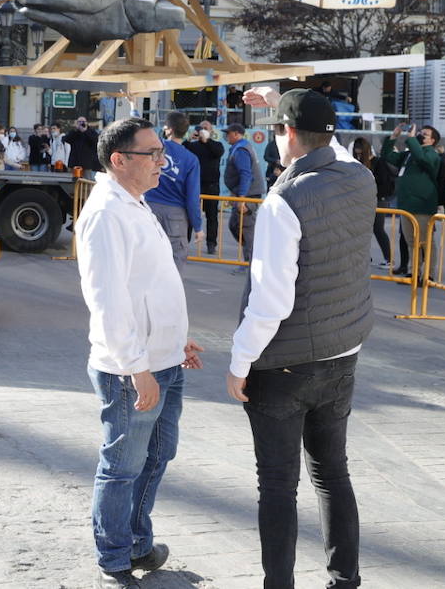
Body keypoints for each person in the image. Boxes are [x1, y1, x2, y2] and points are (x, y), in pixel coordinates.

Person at [227, 88, 375, 589]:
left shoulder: (283, 201)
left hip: (284, 366)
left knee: (277, 485)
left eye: (276, 127)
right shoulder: (360, 178)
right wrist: (283, 100)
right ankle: (345, 578)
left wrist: (239, 361)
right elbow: (337, 152)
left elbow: (271, 301)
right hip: (342, 354)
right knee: (333, 474)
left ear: (287, 134)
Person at [75, 117, 204, 585]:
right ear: (119, 159)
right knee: (123, 465)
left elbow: (149, 286)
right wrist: (136, 368)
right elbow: (108, 300)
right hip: (132, 367)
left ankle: (137, 542)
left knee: (157, 454)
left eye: (160, 152)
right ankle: (114, 557)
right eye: (152, 154)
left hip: (163, 357)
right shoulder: (107, 214)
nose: (162, 162)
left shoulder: (136, 202)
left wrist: (175, 338)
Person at [144, 111, 203, 274]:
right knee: (175, 261)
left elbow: (136, 131)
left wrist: (135, 107)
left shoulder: (155, 148)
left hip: (149, 207)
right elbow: (192, 197)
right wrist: (198, 226)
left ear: (168, 129)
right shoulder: (191, 159)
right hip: (176, 216)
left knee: (146, 256)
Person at [381, 124, 442, 277]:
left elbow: (423, 158)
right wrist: (394, 137)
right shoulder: (410, 153)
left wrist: (412, 139)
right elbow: (388, 156)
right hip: (406, 204)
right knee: (411, 241)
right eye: (420, 132)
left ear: (432, 141)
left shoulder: (431, 154)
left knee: (425, 241)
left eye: (425, 134)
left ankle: (429, 273)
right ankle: (414, 270)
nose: (420, 135)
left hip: (422, 205)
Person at [351, 136, 396, 270]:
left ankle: (389, 259)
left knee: (378, 229)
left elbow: (384, 184)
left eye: (360, 151)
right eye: (356, 151)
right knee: (361, 229)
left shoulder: (378, 162)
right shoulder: (358, 163)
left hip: (378, 200)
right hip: (363, 200)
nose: (358, 154)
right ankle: (365, 257)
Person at [224, 123, 265, 263]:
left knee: (246, 229)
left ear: (236, 134)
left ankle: (251, 263)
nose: (226, 136)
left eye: (228, 133)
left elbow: (245, 174)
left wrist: (241, 197)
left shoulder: (241, 150)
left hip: (248, 195)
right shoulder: (240, 147)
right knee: (235, 225)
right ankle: (250, 259)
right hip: (245, 194)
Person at [184, 119, 225, 255]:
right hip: (194, 185)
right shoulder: (193, 146)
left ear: (211, 131)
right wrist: (190, 139)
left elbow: (218, 152)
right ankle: (184, 243)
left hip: (211, 186)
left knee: (212, 216)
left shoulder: (216, 145)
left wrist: (207, 140)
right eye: (201, 128)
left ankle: (211, 244)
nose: (203, 130)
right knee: (190, 215)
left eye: (206, 128)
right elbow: (182, 150)